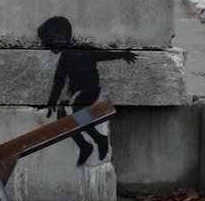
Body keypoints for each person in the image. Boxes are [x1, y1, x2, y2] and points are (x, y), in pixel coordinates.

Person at [38, 16, 136, 166]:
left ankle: (98, 140)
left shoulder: (82, 50)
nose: (49, 48)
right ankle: (85, 145)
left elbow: (103, 55)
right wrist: (52, 102)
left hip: (90, 90)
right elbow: (58, 82)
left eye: (49, 43)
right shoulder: (64, 59)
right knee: (62, 114)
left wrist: (123, 54)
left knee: (77, 110)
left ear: (59, 38)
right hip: (76, 94)